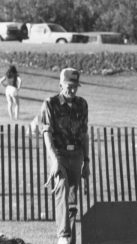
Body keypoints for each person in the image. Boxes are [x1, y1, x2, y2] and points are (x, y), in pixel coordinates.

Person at [40, 68, 90, 244]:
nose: (73, 89)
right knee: (61, 187)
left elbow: (84, 134)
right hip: (59, 153)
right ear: (60, 84)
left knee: (72, 198)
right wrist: (54, 160)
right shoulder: (50, 104)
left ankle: (70, 240)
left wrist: (87, 161)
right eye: (69, 85)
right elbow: (46, 134)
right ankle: (63, 236)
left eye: (76, 85)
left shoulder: (82, 104)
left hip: (76, 154)